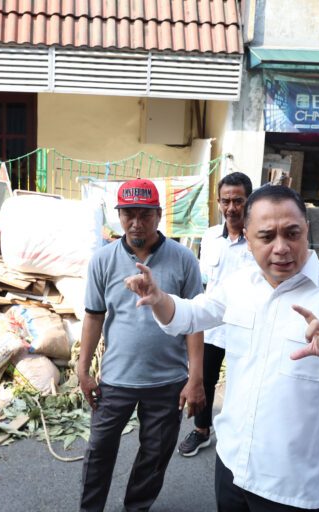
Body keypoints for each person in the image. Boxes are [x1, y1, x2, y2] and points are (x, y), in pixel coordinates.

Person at [124, 185, 319, 512]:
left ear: (307, 229)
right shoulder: (239, 284)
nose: (281, 248)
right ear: (247, 239)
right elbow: (189, 315)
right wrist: (158, 298)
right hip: (232, 465)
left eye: (292, 233)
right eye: (266, 237)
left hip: (292, 486)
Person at [77, 178, 205, 512]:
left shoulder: (183, 259)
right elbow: (93, 317)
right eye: (129, 213)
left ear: (158, 215)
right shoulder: (102, 261)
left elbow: (194, 322)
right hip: (116, 379)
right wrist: (82, 370)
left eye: (144, 214)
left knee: (154, 455)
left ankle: (136, 508)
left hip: (167, 382)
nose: (136, 222)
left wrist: (195, 378)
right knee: (99, 451)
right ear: (118, 216)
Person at [178, 172, 255, 457]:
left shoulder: (258, 239)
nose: (231, 208)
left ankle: (242, 433)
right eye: (226, 201)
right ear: (218, 202)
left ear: (248, 201)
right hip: (211, 325)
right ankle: (202, 431)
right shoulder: (210, 237)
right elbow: (203, 281)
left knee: (243, 382)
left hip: (245, 325)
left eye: (238, 201)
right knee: (203, 379)